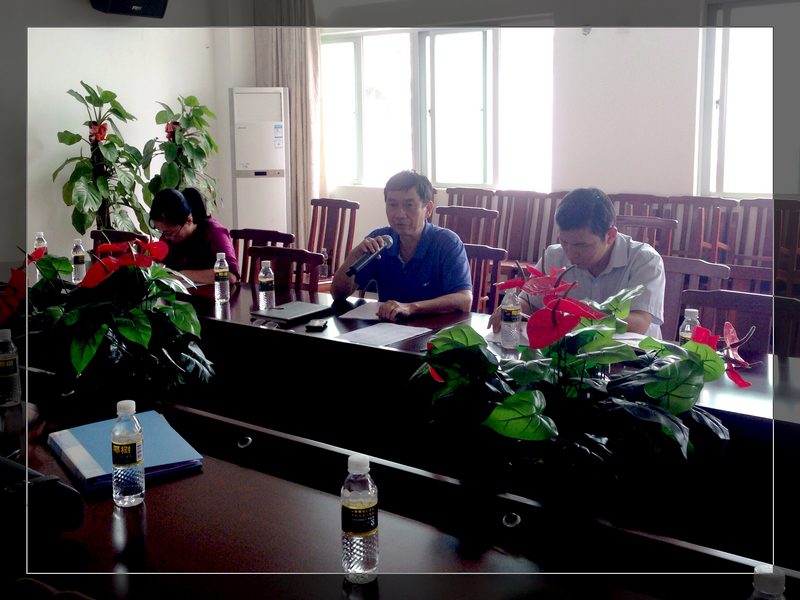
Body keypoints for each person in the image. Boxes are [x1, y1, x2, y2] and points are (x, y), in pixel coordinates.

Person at [489, 187, 665, 337]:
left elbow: (639, 323)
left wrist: (575, 317)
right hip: (569, 356)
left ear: (610, 236)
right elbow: (528, 303)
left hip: (631, 359)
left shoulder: (644, 260)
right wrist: (513, 308)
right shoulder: (553, 256)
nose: (571, 253)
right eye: (564, 242)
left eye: (582, 245)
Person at [331, 170, 473, 321]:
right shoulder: (380, 240)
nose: (399, 214)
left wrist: (411, 307)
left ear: (428, 209)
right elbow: (338, 294)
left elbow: (464, 300)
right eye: (392, 205)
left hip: (436, 329)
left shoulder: (447, 242)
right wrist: (354, 256)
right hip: (387, 329)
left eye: (409, 205)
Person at [148, 187, 240, 284]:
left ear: (188, 220)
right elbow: (157, 263)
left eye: (169, 233)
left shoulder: (214, 233)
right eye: (162, 232)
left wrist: (183, 275)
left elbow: (231, 275)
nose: (166, 237)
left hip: (213, 293)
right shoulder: (168, 236)